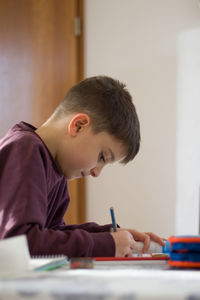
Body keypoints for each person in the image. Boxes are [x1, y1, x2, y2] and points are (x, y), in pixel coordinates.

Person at [0, 76, 164, 258]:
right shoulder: (26, 150)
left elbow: (52, 236)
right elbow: (20, 244)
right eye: (102, 157)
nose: (96, 173)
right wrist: (105, 244)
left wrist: (109, 235)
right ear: (78, 126)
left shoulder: (55, 170)